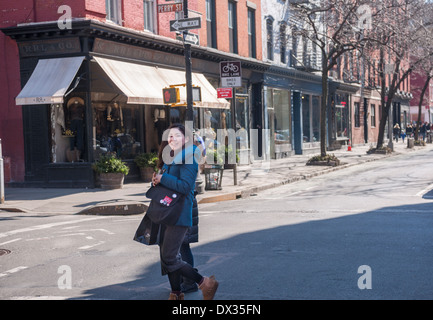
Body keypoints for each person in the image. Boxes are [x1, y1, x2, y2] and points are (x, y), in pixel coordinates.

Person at [152, 123, 218, 300]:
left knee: (170, 256)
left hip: (178, 213)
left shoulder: (188, 158)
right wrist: (158, 180)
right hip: (167, 210)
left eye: (177, 135)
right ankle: (176, 292)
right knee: (168, 255)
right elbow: (169, 182)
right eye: (170, 135)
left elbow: (185, 186)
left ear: (187, 139)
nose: (172, 138)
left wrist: (163, 178)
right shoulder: (170, 157)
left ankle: (204, 282)